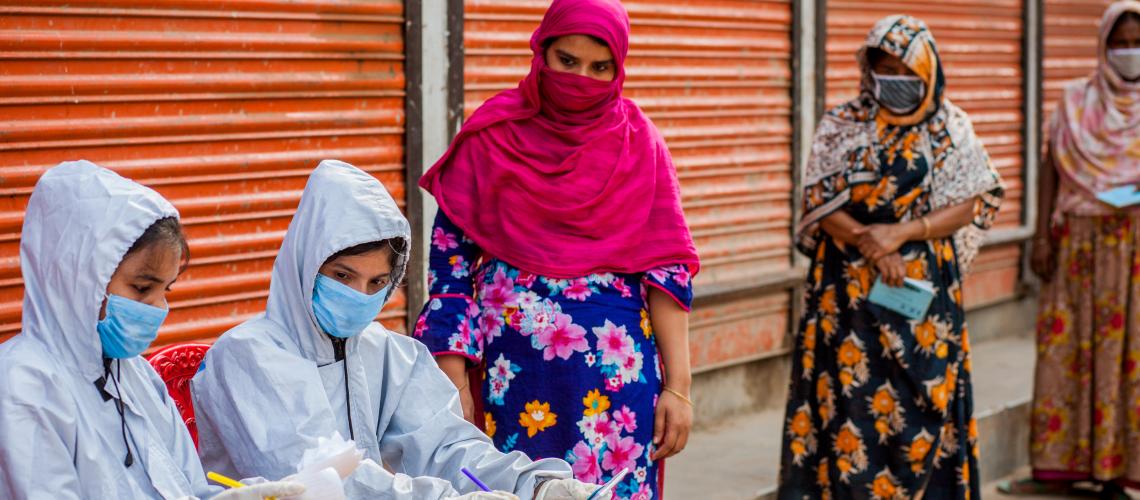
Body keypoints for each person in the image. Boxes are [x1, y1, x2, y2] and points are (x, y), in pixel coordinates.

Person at [414, 0, 700, 498]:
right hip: (510, 379)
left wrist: (679, 388)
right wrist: (452, 376)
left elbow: (667, 274)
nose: (580, 79)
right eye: (567, 61)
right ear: (541, 53)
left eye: (600, 67)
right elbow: (450, 264)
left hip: (618, 392)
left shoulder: (640, 144)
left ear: (619, 70)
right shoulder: (493, 135)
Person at [191, 160, 597, 500]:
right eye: (342, 275)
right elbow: (316, 483)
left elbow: (446, 446)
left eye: (376, 282)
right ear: (305, 264)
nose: (358, 295)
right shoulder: (248, 357)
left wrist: (532, 484)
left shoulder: (388, 353)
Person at [778, 15, 1004, 499]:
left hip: (924, 296)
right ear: (867, 69)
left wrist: (901, 233)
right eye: (884, 68)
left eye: (906, 71)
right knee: (846, 404)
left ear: (928, 71)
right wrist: (868, 240)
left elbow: (971, 200)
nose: (894, 81)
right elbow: (817, 200)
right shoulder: (844, 123)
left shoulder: (951, 127)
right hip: (846, 297)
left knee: (926, 402)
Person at [0, 160, 302, 499]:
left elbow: (185, 487)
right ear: (76, 279)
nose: (159, 308)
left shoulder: (136, 377)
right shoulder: (23, 386)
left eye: (166, 290)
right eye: (143, 288)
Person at [1000, 2, 1140, 498]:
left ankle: (1117, 469)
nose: (1128, 51)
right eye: (1118, 42)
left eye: (1135, 42)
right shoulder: (1075, 99)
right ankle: (1060, 464)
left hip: (1135, 249)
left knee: (1129, 356)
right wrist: (1039, 236)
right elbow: (1049, 166)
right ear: (1102, 45)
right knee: (1067, 351)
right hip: (1076, 241)